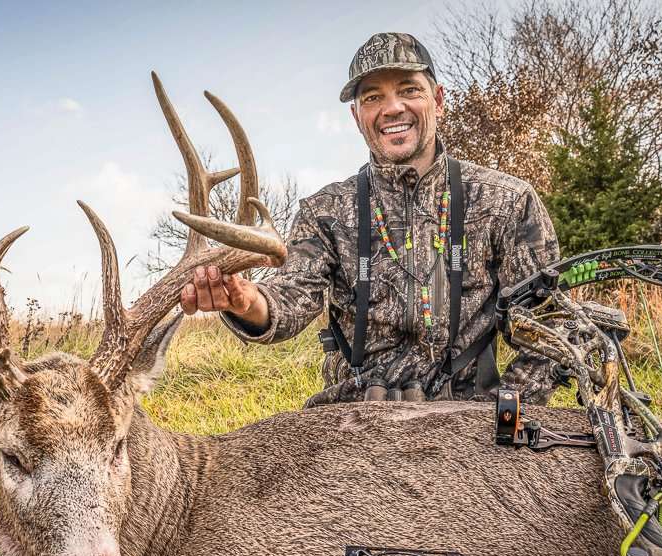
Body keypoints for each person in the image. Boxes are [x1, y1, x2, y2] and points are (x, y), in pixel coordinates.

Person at [180, 32, 561, 407]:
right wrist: (245, 301)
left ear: (438, 100)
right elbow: (289, 300)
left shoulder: (506, 202)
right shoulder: (325, 212)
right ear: (357, 116)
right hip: (354, 423)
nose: (392, 108)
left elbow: (551, 333)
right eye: (373, 97)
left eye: (409, 90)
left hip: (465, 423)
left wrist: (500, 415)